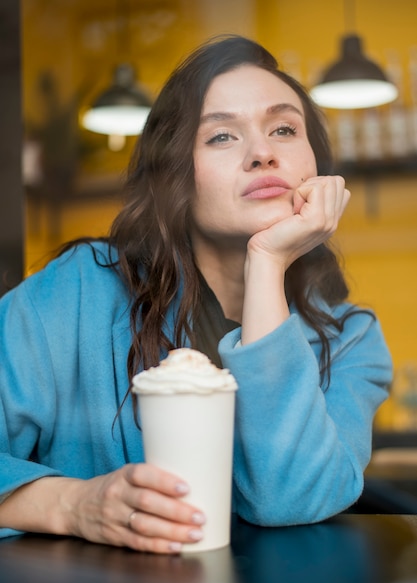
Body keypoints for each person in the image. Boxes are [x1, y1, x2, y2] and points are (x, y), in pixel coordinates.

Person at [0, 35, 392, 553]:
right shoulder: (76, 292)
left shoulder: (350, 339)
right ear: (175, 174)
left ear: (316, 165)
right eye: (222, 137)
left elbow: (290, 497)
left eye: (283, 129)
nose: (262, 154)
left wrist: (268, 262)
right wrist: (72, 504)